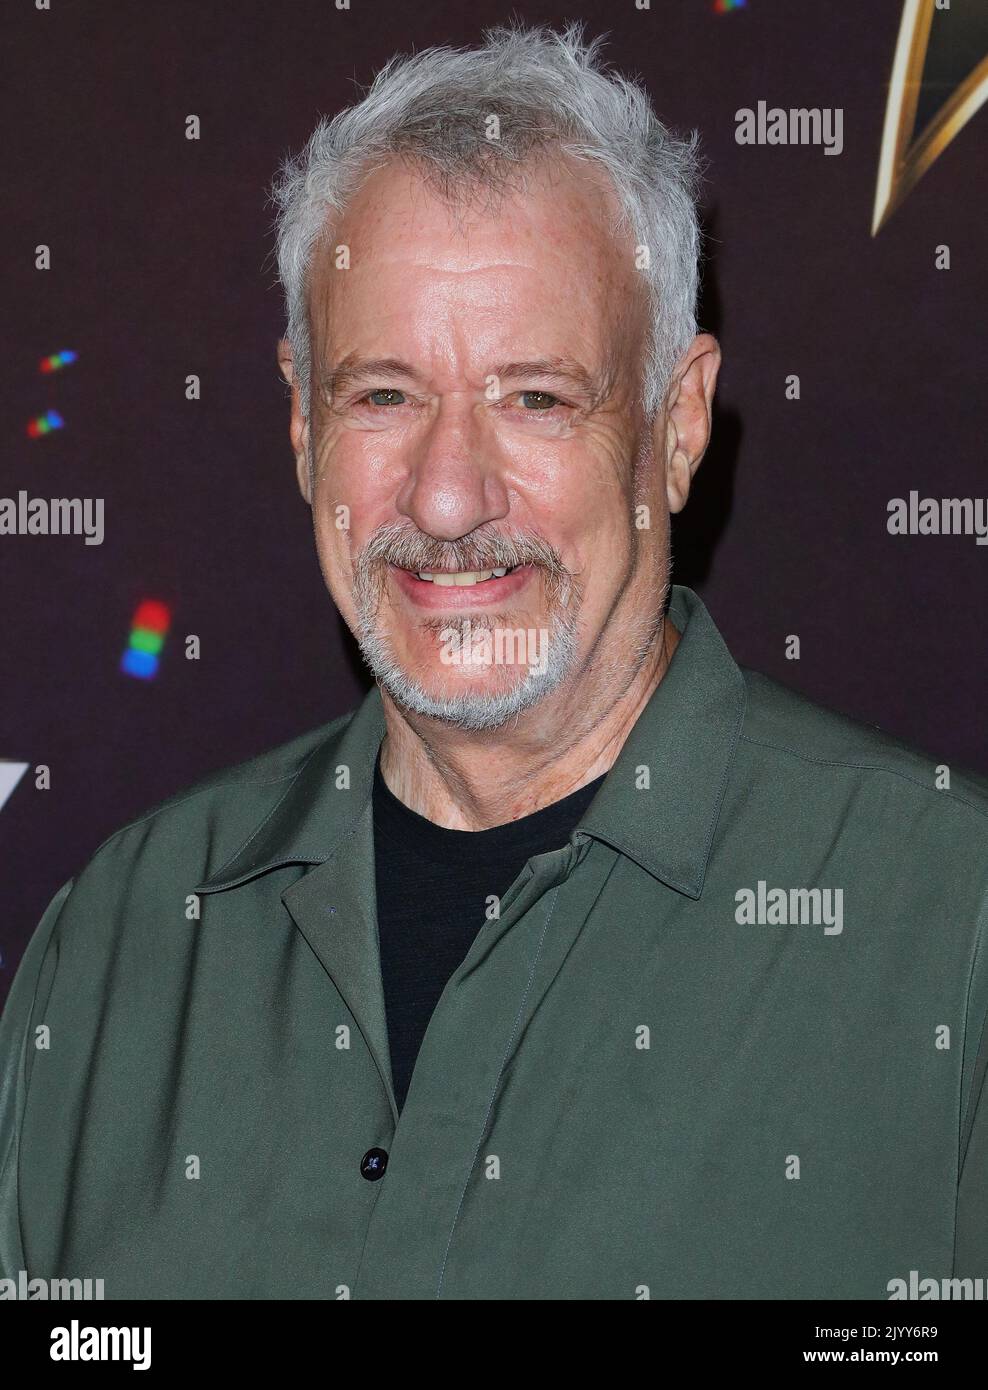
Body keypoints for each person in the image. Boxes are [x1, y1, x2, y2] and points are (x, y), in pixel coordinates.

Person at [2, 23, 986, 1301]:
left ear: (676, 423)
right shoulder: (120, 940)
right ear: (302, 423)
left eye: (535, 397)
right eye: (384, 396)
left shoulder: (947, 929)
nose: (450, 498)